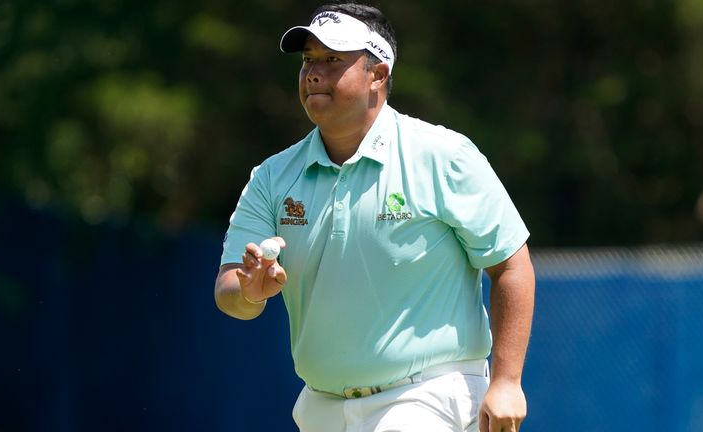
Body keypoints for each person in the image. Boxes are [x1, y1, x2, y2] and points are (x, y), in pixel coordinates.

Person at [215, 3, 535, 431]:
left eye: (332, 60)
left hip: (426, 396)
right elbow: (229, 290)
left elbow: (511, 265)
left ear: (378, 75)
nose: (313, 73)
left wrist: (507, 381)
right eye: (309, 60)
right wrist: (250, 292)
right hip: (320, 406)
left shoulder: (444, 156)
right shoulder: (273, 177)